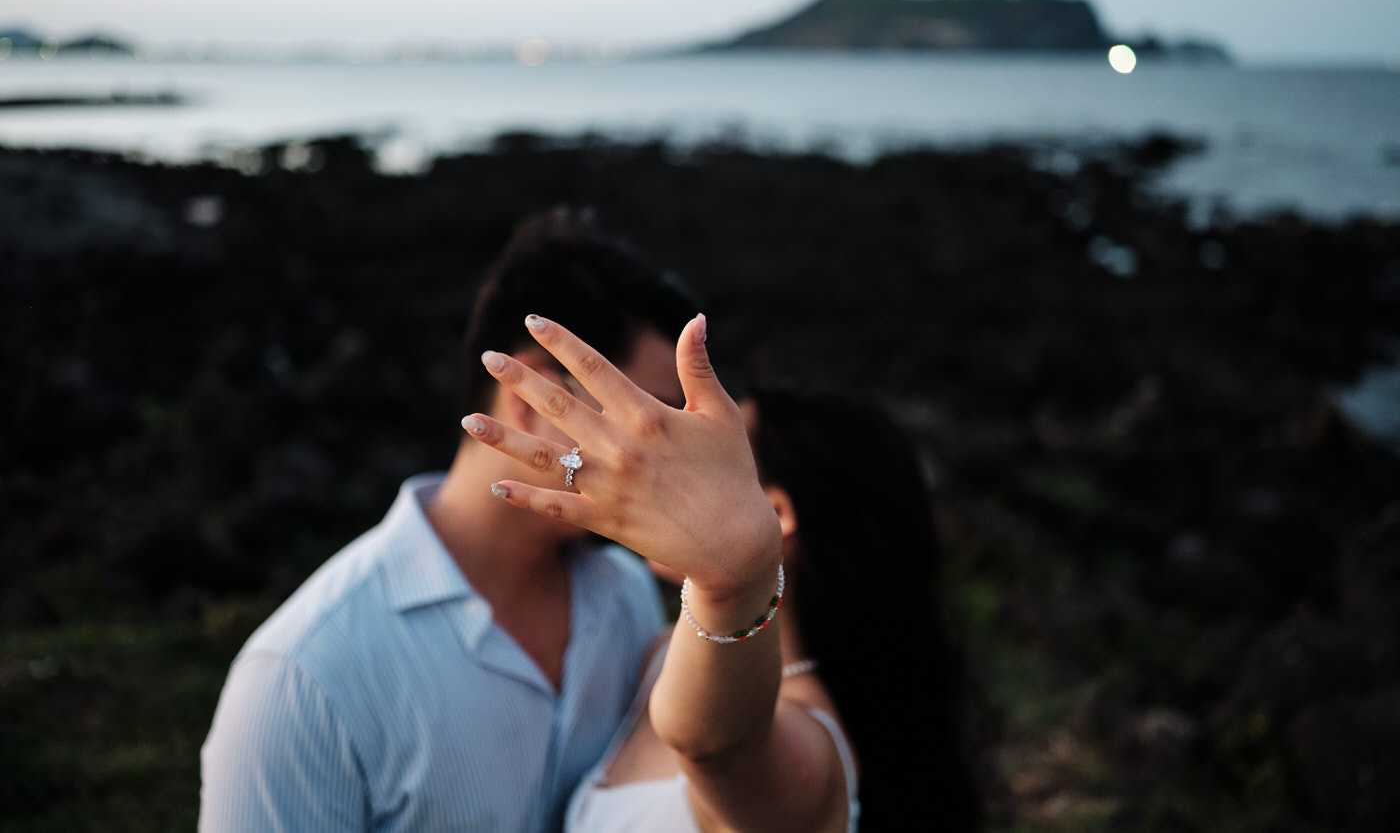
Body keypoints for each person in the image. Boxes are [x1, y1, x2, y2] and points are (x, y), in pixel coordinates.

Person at [199, 211, 702, 832]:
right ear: (534, 399)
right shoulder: (304, 677)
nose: (674, 459)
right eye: (652, 419)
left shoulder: (625, 596)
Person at [466, 316, 983, 832]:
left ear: (776, 515)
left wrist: (731, 584)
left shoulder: (811, 752)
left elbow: (714, 745)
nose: (668, 455)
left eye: (714, 454)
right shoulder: (654, 654)